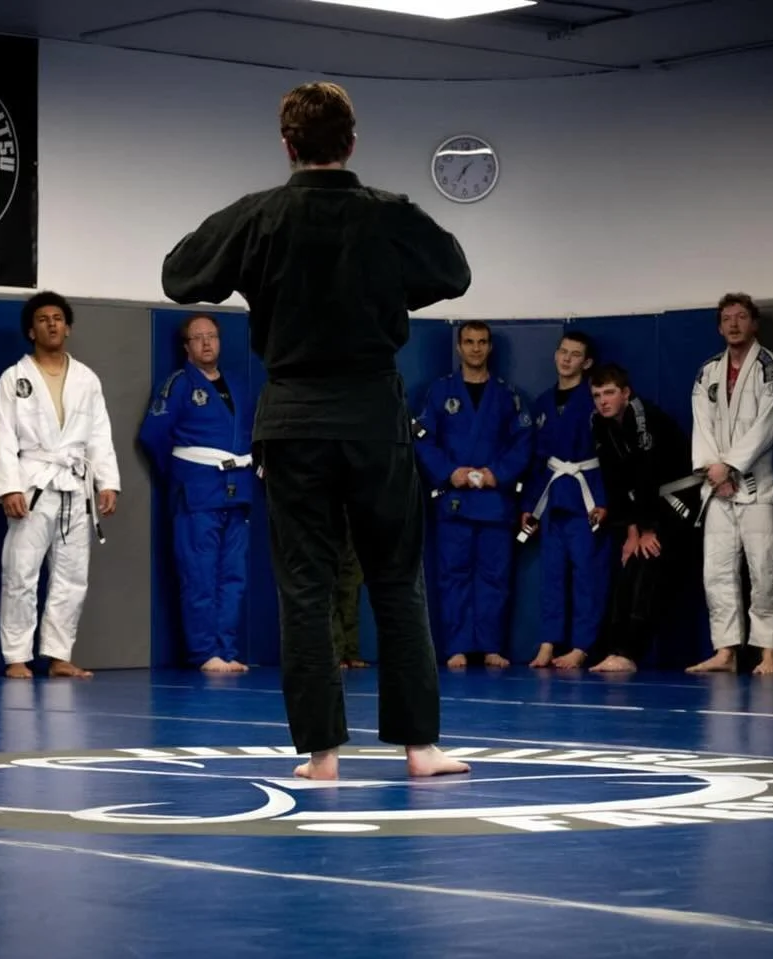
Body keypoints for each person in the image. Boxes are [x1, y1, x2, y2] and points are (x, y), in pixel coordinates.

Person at [160, 80, 471, 780]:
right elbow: (454, 271)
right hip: (371, 416)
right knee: (397, 579)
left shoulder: (259, 216)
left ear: (287, 144)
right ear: (352, 142)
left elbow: (179, 274)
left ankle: (323, 755)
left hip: (294, 419)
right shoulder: (390, 214)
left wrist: (257, 273)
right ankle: (421, 749)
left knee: (304, 584)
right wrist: (387, 287)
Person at [0, 291, 120, 680]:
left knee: (72, 576)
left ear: (68, 327)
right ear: (31, 330)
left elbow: (99, 434)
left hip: (75, 486)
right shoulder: (14, 378)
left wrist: (106, 481)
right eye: (44, 319)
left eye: (58, 318)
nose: (52, 324)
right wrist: (8, 487)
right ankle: (16, 656)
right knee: (20, 572)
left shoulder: (86, 378)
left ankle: (59, 655)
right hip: (33, 483)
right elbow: (2, 436)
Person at [412, 321, 535, 669]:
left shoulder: (508, 394)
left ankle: (492, 645)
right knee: (453, 576)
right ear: (459, 347)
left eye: (482, 342)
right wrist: (451, 472)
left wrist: (499, 473)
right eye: (469, 342)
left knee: (495, 577)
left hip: (495, 501)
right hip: (455, 500)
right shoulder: (439, 392)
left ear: (490, 348)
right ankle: (457, 646)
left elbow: (523, 441)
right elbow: (423, 439)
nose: (476, 348)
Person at [137, 312, 253, 674]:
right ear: (186, 346)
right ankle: (204, 652)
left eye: (212, 336)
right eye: (198, 337)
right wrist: (182, 476)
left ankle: (227, 649)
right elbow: (153, 436)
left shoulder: (238, 385)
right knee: (199, 575)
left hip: (237, 492)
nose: (206, 343)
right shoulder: (178, 384)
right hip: (197, 492)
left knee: (233, 576)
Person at [687, 293, 773, 676]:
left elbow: (769, 426)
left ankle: (769, 653)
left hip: (759, 487)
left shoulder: (771, 369)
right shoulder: (707, 371)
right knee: (716, 571)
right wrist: (714, 470)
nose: (734, 324)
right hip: (716, 488)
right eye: (727, 318)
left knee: (766, 570)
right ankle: (726, 650)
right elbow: (701, 423)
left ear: (754, 324)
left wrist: (731, 466)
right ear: (719, 326)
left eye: (741, 317)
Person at [584, 363, 698, 673]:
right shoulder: (599, 422)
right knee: (628, 566)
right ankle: (613, 649)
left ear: (625, 393)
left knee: (648, 566)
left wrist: (647, 530)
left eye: (609, 393)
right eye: (597, 395)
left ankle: (629, 652)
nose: (603, 401)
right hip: (645, 505)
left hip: (680, 500)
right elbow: (617, 481)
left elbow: (647, 477)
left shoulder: (645, 418)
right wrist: (632, 533)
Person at [519, 331, 610, 670]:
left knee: (588, 576)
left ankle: (582, 646)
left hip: (587, 499)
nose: (567, 359)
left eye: (575, 355)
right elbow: (538, 460)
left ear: (587, 363)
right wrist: (530, 505)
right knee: (552, 577)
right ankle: (548, 642)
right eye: (563, 352)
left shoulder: (595, 399)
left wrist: (603, 499)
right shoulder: (543, 402)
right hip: (553, 498)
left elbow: (609, 455)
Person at [333, 521, 368, 669]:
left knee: (352, 596)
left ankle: (351, 653)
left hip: (353, 526)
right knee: (330, 597)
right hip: (327, 523)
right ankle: (337, 653)